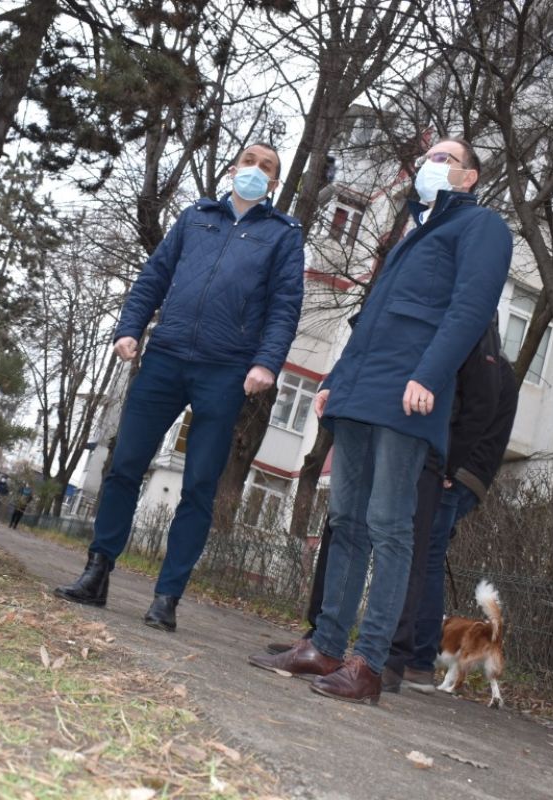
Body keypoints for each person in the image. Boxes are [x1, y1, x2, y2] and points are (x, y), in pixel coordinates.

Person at [249, 136, 511, 705]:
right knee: (346, 521)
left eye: (444, 159)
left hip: (409, 394)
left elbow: (470, 308)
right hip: (361, 391)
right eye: (427, 157)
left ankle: (368, 665)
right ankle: (325, 647)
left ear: (469, 177)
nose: (429, 165)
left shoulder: (482, 226)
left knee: (391, 527)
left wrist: (430, 375)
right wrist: (335, 380)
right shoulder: (413, 232)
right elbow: (371, 319)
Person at [54, 143, 305, 633]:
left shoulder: (283, 234)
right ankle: (97, 572)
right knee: (125, 465)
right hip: (165, 358)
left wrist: (267, 362)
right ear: (233, 169)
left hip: (226, 370)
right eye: (249, 161)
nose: (255, 170)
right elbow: (155, 276)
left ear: (274, 183)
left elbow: (285, 305)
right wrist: (129, 328)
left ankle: (167, 597)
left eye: (267, 167)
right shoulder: (196, 217)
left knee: (200, 485)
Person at [400, 352, 519, 692]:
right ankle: (416, 655)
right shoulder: (496, 363)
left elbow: (471, 414)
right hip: (470, 471)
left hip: (457, 471)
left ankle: (418, 657)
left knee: (425, 555)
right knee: (426, 554)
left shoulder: (481, 357)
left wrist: (448, 463)